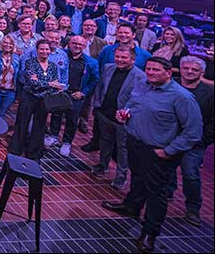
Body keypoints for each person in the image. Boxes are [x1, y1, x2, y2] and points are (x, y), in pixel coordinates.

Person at [102, 57, 202, 254]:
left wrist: (168, 151)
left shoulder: (182, 97)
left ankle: (150, 233)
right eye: (148, 69)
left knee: (156, 193)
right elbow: (132, 105)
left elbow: (193, 132)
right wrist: (124, 114)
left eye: (156, 70)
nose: (151, 73)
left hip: (159, 151)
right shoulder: (142, 85)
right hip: (135, 142)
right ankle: (131, 206)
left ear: (168, 72)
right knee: (137, 179)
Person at [166, 56, 213, 227]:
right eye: (186, 68)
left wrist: (202, 140)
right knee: (167, 169)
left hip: (194, 142)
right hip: (168, 138)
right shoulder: (171, 85)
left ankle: (193, 209)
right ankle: (168, 192)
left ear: (202, 72)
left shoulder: (210, 93)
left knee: (190, 174)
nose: (189, 71)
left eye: (194, 69)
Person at [91, 45, 145, 190]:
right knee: (105, 141)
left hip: (123, 119)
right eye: (118, 57)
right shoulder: (109, 67)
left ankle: (121, 177)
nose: (119, 60)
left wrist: (125, 113)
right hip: (105, 113)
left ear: (132, 60)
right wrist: (97, 105)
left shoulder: (140, 76)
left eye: (123, 58)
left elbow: (138, 99)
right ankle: (103, 165)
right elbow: (100, 87)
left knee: (122, 148)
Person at [8, 40, 63, 161]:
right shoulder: (30, 63)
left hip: (43, 100)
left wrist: (42, 83)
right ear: (37, 50)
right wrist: (49, 84)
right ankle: (15, 149)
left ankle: (33, 152)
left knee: (40, 126)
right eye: (42, 49)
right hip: (28, 97)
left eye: (47, 49)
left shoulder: (53, 66)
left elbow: (54, 83)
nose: (44, 51)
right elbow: (33, 83)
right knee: (22, 123)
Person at [45, 35, 99, 156]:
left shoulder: (91, 62)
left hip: (76, 95)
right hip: (60, 92)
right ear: (69, 43)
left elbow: (95, 80)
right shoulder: (60, 55)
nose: (77, 46)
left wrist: (83, 92)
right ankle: (53, 135)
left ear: (84, 46)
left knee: (72, 119)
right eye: (74, 43)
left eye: (80, 44)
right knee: (56, 114)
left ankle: (67, 142)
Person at [0, 35, 22, 145]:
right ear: (2, 44)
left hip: (10, 91)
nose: (7, 45)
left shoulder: (16, 58)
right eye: (5, 43)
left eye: (10, 44)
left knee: (2, 113)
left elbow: (19, 74)